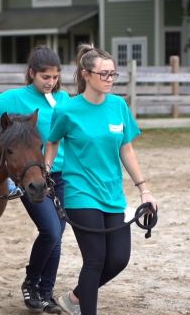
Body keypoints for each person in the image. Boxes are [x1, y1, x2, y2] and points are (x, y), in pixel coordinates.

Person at [44, 44, 158, 315]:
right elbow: (52, 141)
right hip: (80, 192)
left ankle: (74, 299)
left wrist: (144, 190)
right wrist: (47, 169)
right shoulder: (68, 110)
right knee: (94, 260)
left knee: (118, 259)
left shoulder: (118, 106)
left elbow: (126, 149)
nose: (109, 79)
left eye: (113, 74)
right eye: (104, 74)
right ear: (86, 74)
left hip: (112, 194)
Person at [0, 45, 70, 314]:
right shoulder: (18, 97)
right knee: (51, 230)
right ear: (32, 74)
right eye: (45, 77)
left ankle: (45, 291)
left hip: (64, 176)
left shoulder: (63, 99)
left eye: (55, 77)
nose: (51, 82)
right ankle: (32, 283)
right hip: (34, 176)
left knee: (57, 236)